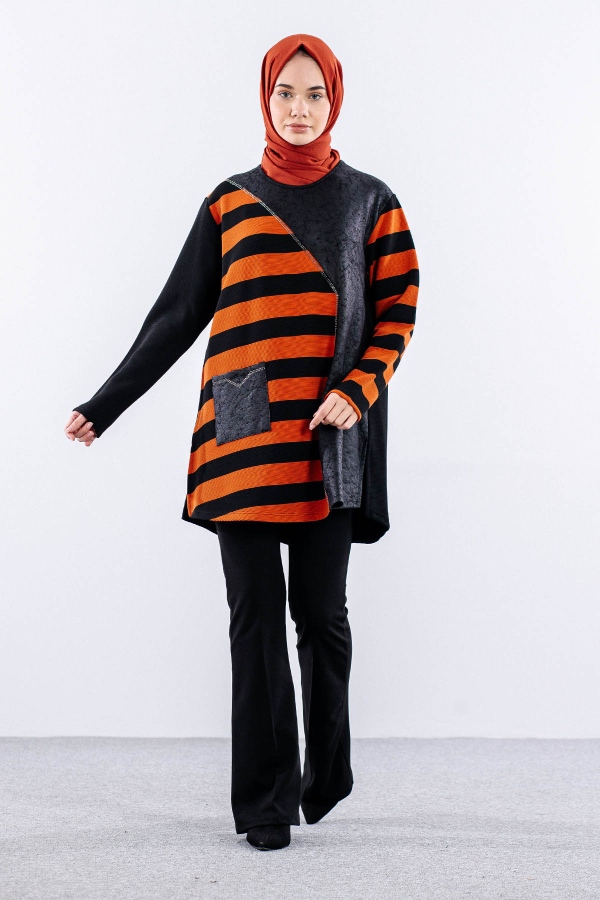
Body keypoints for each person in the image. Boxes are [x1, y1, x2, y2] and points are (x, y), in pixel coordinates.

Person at [65, 33, 420, 851]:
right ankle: (263, 804)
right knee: (254, 621)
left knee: (321, 617)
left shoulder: (372, 201)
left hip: (330, 440)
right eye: (285, 93)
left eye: (314, 94)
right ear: (266, 98)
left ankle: (326, 770)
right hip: (243, 439)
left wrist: (355, 391)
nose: (299, 110)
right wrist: (106, 404)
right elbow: (178, 314)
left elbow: (398, 312)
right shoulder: (229, 202)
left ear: (335, 100)